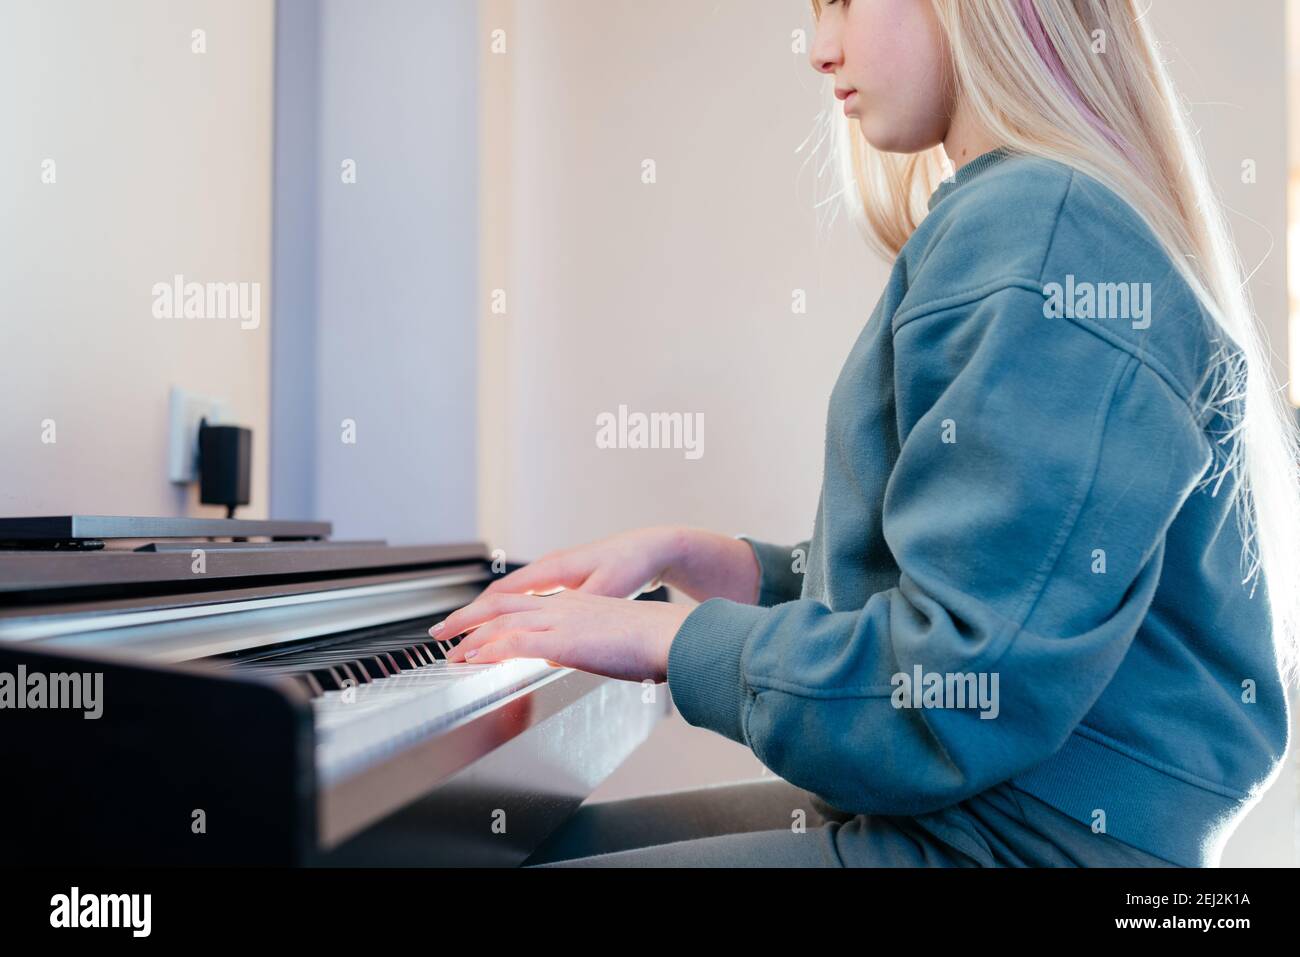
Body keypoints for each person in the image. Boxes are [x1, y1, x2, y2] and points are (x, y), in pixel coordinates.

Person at [433, 0, 1300, 867]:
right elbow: (959, 602)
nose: (819, 50)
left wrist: (664, 640)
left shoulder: (1047, 231)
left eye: (844, 1)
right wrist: (704, 558)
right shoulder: (1035, 215)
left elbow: (957, 691)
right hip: (986, 818)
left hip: (1021, 845)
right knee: (497, 851)